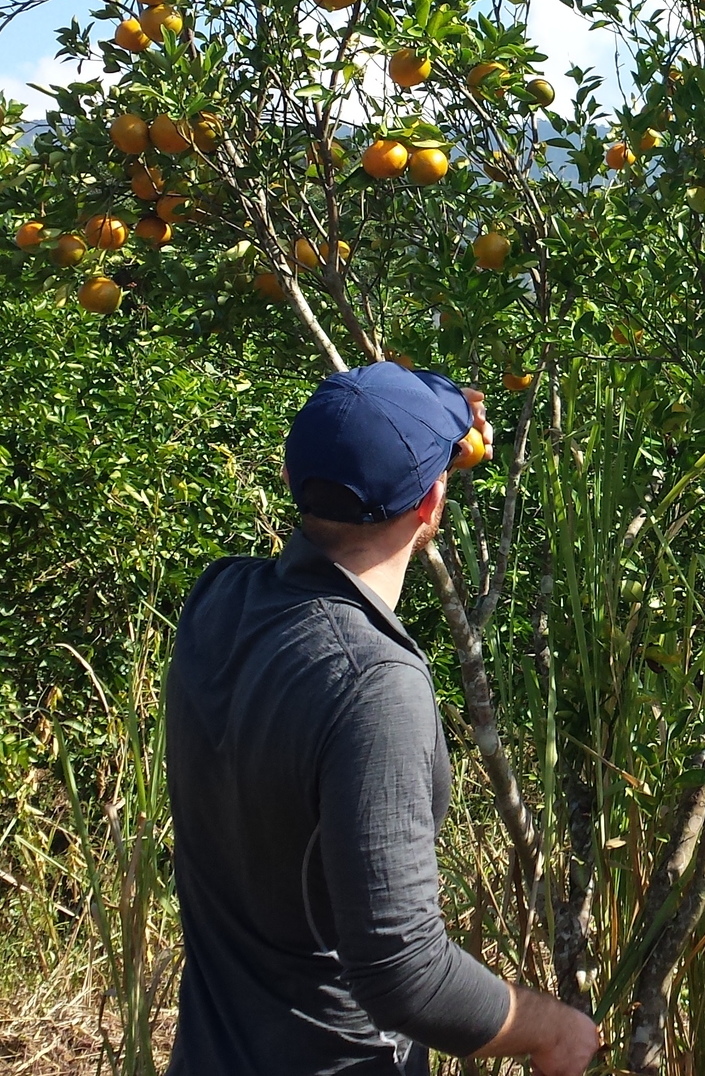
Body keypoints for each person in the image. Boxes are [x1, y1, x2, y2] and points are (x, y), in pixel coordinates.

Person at [164, 360, 600, 1076]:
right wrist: (554, 1030)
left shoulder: (219, 601)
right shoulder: (374, 683)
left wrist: (427, 412)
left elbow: (354, 435)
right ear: (432, 504)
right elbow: (404, 970)